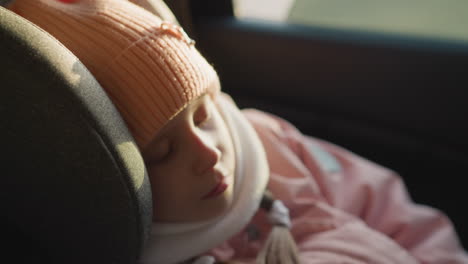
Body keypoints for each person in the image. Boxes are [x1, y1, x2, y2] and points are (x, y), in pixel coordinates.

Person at [9, 0, 468, 263]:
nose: (208, 152)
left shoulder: (271, 145)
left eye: (203, 114)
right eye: (163, 153)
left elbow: (400, 217)